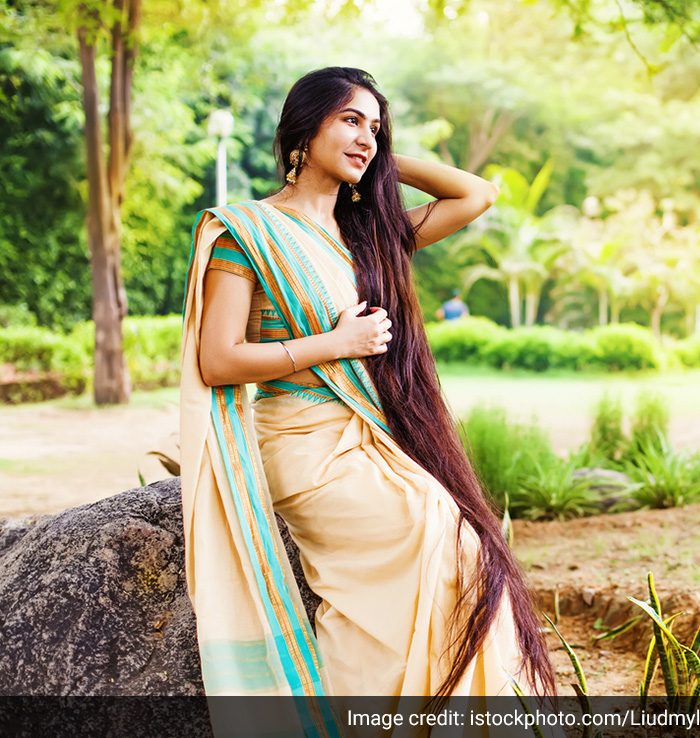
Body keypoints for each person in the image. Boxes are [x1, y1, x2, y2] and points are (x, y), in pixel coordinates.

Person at [179, 67, 554, 729]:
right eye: (349, 120)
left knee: (462, 542)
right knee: (420, 528)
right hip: (295, 440)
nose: (365, 137)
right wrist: (334, 343)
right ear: (304, 126)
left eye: (375, 127)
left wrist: (376, 160)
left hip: (361, 436)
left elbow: (475, 195)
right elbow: (218, 359)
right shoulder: (246, 231)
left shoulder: (366, 239)